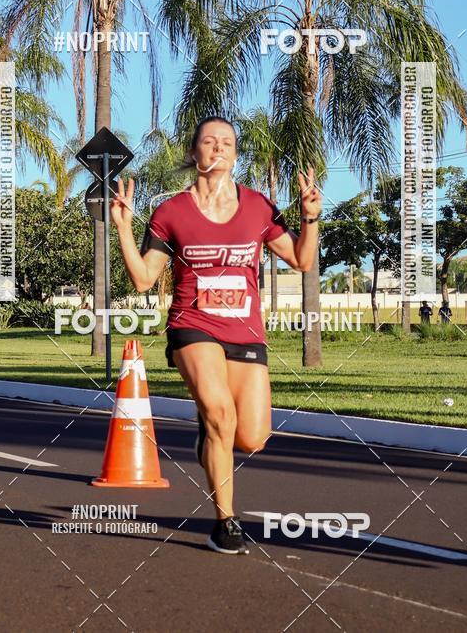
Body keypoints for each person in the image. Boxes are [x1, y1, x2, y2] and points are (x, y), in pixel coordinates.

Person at [110, 116, 321, 555]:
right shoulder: (171, 212)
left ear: (236, 154)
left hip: (245, 330)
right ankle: (226, 521)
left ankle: (207, 436)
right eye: (209, 141)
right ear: (194, 153)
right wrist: (124, 229)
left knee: (252, 438)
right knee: (221, 413)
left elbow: (302, 260)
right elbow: (144, 279)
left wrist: (310, 218)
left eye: (227, 142)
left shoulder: (258, 207)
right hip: (193, 326)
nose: (219, 147)